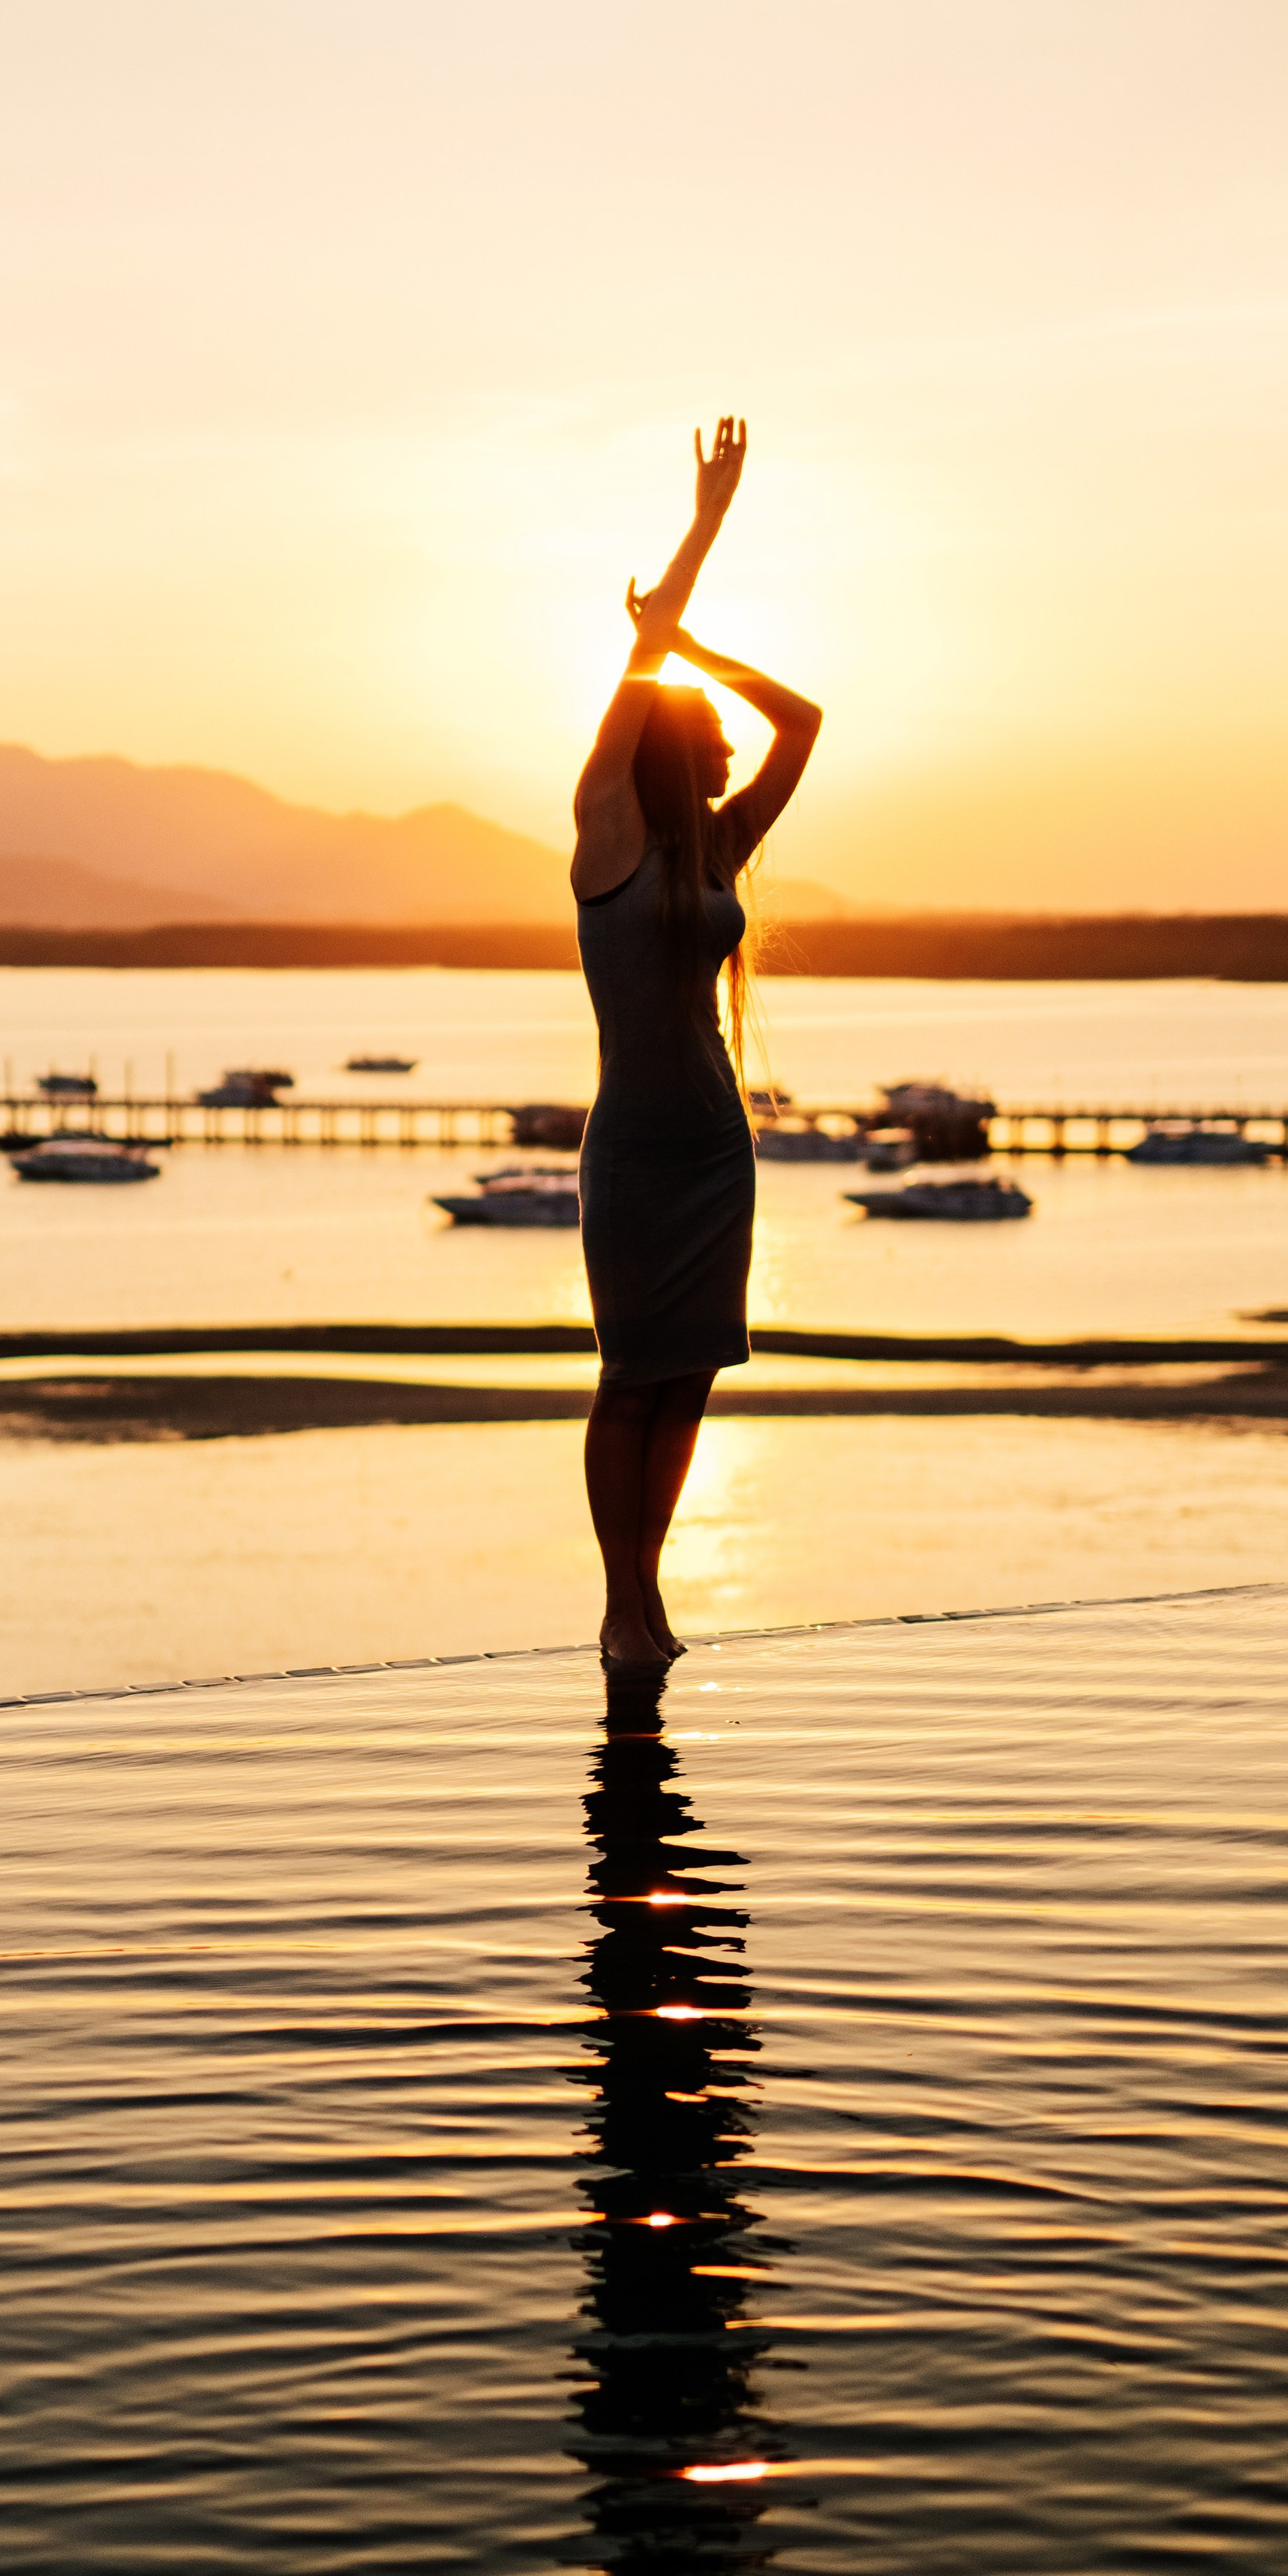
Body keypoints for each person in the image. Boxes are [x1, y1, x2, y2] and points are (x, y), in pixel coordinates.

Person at [571, 417, 821, 1666]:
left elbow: (806, 722)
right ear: (671, 742)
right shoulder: (606, 825)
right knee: (631, 1377)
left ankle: (653, 1594)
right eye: (708, 730)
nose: (729, 743)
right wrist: (702, 532)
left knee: (692, 1377)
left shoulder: (719, 849)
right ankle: (623, 1601)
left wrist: (702, 650)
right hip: (632, 1156)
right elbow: (645, 686)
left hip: (716, 1153)